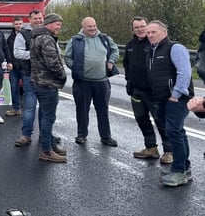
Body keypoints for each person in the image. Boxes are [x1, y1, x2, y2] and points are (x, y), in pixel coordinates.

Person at [145, 21, 193, 187]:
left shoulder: (175, 48)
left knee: (173, 131)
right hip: (162, 98)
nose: (150, 35)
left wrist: (176, 94)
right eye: (148, 32)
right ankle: (184, 168)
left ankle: (179, 170)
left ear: (164, 32)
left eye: (154, 32)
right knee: (177, 131)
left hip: (176, 98)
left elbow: (184, 72)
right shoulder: (152, 50)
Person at [123, 16, 173, 164]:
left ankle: (169, 151)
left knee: (161, 120)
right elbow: (126, 64)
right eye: (136, 27)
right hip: (136, 90)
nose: (140, 29)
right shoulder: (130, 45)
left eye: (142, 26)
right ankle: (151, 147)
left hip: (154, 91)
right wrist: (129, 81)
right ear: (133, 29)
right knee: (141, 119)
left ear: (147, 26)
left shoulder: (153, 44)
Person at [64, 16, 119, 146]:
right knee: (82, 109)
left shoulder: (104, 38)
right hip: (82, 82)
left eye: (94, 26)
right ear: (83, 27)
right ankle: (81, 135)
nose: (93, 29)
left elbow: (115, 50)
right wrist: (76, 68)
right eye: (89, 27)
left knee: (103, 110)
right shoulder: (75, 40)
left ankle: (106, 136)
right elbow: (67, 57)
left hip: (102, 81)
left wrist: (111, 61)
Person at [30, 13, 67, 163]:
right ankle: (47, 150)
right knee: (48, 117)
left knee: (46, 115)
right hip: (47, 83)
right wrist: (63, 75)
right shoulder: (46, 39)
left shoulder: (38, 37)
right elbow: (53, 62)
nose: (59, 27)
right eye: (57, 24)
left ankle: (51, 145)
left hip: (39, 82)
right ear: (49, 24)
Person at [13, 10, 45, 146]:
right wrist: (34, 54)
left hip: (46, 76)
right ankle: (26, 135)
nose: (38, 20)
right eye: (35, 18)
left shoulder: (47, 32)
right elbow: (17, 53)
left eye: (40, 18)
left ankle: (46, 134)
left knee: (46, 108)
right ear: (29, 20)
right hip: (29, 75)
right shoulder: (22, 34)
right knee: (30, 107)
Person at [6, 17, 24, 116]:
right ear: (13, 25)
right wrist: (9, 62)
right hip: (14, 68)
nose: (18, 26)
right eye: (16, 24)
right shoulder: (10, 38)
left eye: (20, 24)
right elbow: (8, 52)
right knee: (14, 89)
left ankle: (29, 110)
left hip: (25, 68)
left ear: (23, 24)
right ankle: (16, 108)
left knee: (28, 90)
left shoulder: (27, 35)